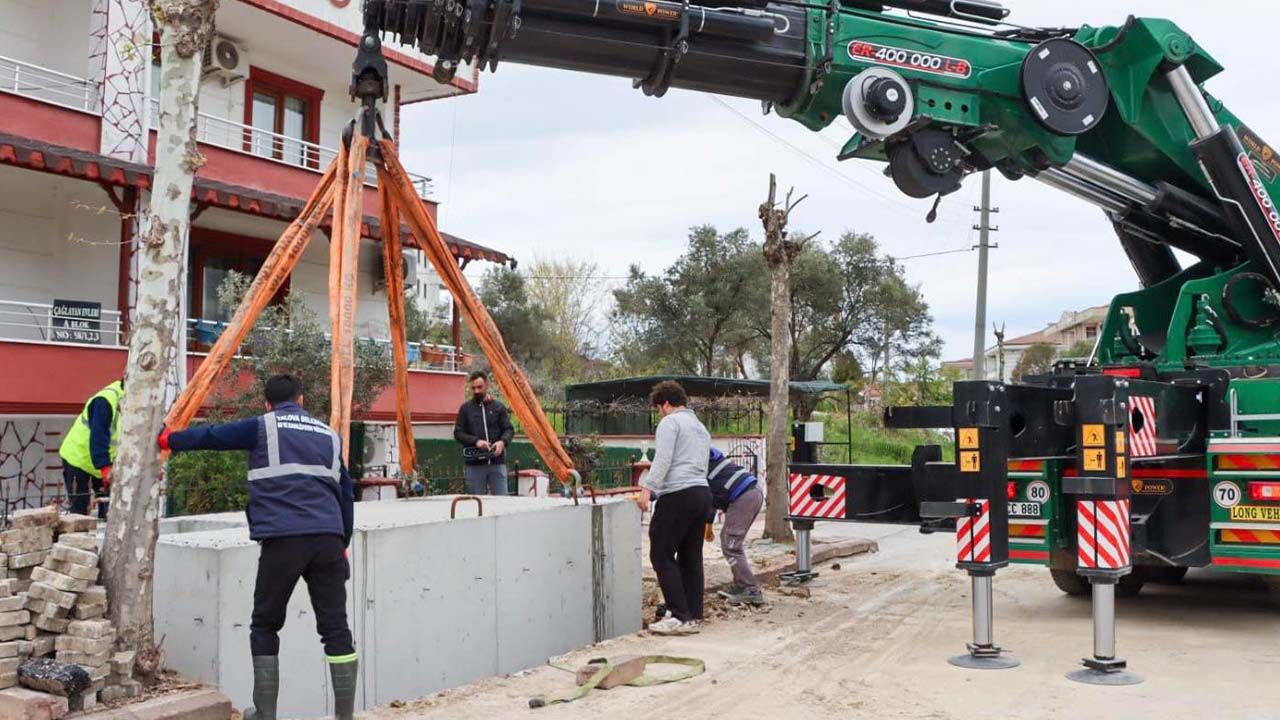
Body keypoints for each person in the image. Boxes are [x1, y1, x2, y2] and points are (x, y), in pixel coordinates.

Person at [157, 374, 357, 720]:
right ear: (302, 400)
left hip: (283, 541)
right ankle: (345, 716)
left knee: (265, 625)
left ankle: (265, 714)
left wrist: (168, 438)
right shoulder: (330, 435)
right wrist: (343, 543)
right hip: (328, 539)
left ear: (267, 404)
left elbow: (211, 436)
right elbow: (346, 493)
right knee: (336, 629)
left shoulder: (262, 426)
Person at [637, 380, 712, 636]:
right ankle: (693, 614)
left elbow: (663, 459)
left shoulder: (671, 422)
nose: (659, 413)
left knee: (661, 553)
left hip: (678, 493)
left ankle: (678, 615)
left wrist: (648, 489)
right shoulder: (700, 427)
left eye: (659, 408)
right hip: (701, 493)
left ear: (665, 404)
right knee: (691, 555)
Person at [707, 448, 766, 606]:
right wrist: (709, 524)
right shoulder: (711, 457)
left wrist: (707, 523)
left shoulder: (698, 464)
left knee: (731, 545)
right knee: (728, 540)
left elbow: (706, 495)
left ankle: (750, 589)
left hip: (743, 497)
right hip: (752, 493)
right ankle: (741, 584)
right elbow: (711, 495)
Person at [58, 379, 123, 519]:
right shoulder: (105, 400)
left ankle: (104, 537)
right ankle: (78, 539)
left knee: (110, 510)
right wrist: (105, 468)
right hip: (78, 459)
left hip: (103, 462)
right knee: (79, 511)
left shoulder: (139, 402)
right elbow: (98, 435)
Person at [453, 371, 515, 496]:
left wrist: (502, 442)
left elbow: (509, 429)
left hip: (497, 463)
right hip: (475, 465)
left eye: (479, 387)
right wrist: (476, 441)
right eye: (473, 388)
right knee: (476, 503)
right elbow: (458, 433)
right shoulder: (465, 409)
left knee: (501, 502)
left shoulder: (499, 407)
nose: (476, 391)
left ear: (487, 385)